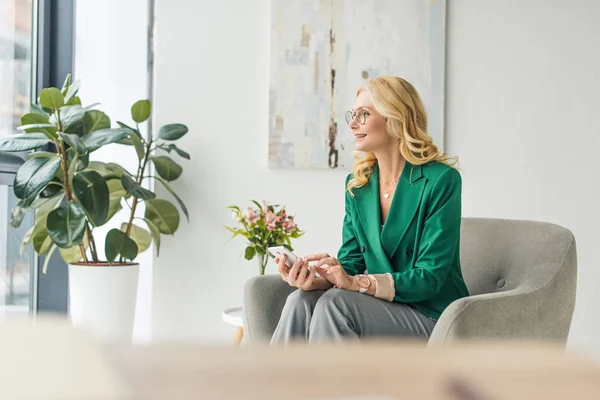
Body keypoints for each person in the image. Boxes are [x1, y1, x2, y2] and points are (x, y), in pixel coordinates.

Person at [270, 76, 470, 344]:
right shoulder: (358, 185)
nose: (352, 124)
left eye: (363, 115)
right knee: (300, 300)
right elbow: (352, 262)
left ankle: (334, 388)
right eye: (352, 115)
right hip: (380, 308)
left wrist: (358, 284)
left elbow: (430, 277)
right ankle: (275, 386)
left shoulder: (440, 180)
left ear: (394, 118)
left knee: (336, 305)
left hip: (432, 316)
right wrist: (318, 279)